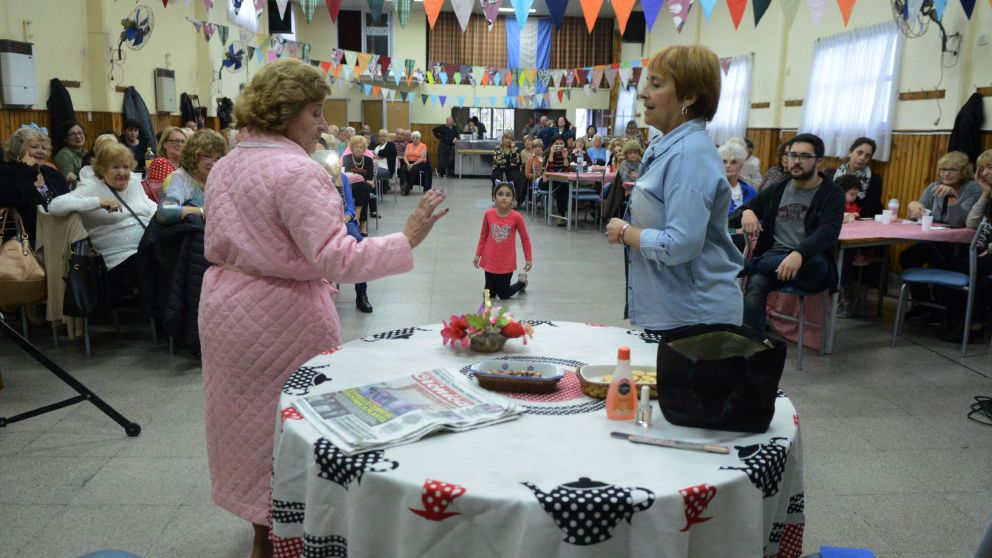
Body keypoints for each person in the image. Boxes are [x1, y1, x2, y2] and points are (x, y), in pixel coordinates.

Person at [198, 58, 447, 558]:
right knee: (289, 427)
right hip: (278, 315)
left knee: (243, 424)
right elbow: (338, 257)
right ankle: (287, 530)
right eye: (315, 113)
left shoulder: (226, 164)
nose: (321, 126)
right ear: (288, 113)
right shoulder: (297, 171)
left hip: (225, 306)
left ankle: (262, 533)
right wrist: (408, 238)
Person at [605, 45, 745, 333]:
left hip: (695, 317)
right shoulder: (665, 145)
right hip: (674, 309)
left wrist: (625, 233)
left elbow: (679, 244)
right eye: (647, 83)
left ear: (689, 97)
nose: (643, 92)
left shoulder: (688, 155)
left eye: (656, 84)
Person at [730, 133, 844, 333]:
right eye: (792, 155)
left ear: (818, 161)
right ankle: (752, 342)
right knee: (756, 284)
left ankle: (743, 267)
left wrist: (799, 253)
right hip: (774, 260)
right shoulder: (777, 189)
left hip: (810, 261)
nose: (796, 161)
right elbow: (735, 215)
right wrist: (747, 211)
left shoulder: (832, 193)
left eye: (804, 156)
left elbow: (828, 231)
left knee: (762, 268)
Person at [49, 143, 157, 294]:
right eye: (115, 167)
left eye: (126, 167)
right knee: (153, 262)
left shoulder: (134, 183)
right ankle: (153, 315)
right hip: (116, 258)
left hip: (146, 248)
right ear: (102, 169)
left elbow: (151, 208)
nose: (122, 172)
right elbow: (54, 206)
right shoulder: (90, 186)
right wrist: (97, 202)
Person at [899, 151, 982, 323]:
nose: (946, 173)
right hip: (934, 240)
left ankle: (939, 310)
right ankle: (923, 305)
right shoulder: (933, 186)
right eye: (943, 169)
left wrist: (952, 197)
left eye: (952, 170)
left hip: (959, 243)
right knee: (907, 256)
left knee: (939, 260)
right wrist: (914, 206)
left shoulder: (972, 188)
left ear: (964, 171)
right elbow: (919, 213)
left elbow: (960, 222)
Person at [943, 149, 992, 343]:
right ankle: (958, 319)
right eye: (983, 168)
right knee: (954, 263)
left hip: (989, 251)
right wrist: (985, 193)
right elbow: (972, 223)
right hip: (982, 249)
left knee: (966, 266)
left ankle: (974, 325)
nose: (986, 173)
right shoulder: (989, 194)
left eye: (991, 167)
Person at [0, 127, 70, 247]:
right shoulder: (7, 172)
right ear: (18, 149)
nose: (41, 151)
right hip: (29, 240)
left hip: (61, 233)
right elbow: (12, 200)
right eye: (34, 147)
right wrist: (25, 170)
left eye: (44, 148)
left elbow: (68, 201)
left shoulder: (53, 173)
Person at [474, 181, 532, 299]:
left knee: (503, 294)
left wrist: (528, 258)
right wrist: (477, 255)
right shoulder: (488, 214)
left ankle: (521, 283)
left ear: (513, 199)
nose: (504, 198)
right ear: (494, 197)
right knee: (488, 295)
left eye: (508, 195)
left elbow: (525, 238)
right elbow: (483, 236)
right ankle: (489, 303)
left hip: (506, 262)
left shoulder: (516, 217)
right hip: (490, 260)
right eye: (500, 194)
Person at [157, 129, 226, 226]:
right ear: (193, 156)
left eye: (218, 158)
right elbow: (165, 211)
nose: (213, 163)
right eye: (207, 156)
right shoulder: (178, 178)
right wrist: (203, 212)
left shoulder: (219, 178)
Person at [826, 137, 883, 218]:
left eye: (867, 156)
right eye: (859, 153)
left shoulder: (875, 180)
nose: (862, 158)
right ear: (850, 152)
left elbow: (870, 209)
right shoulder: (832, 175)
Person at [342, 135, 375, 234]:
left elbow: (369, 175)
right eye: (356, 147)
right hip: (350, 186)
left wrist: (356, 174)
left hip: (363, 187)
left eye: (361, 147)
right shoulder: (347, 158)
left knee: (363, 187)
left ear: (364, 149)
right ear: (352, 148)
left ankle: (358, 216)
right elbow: (347, 173)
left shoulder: (368, 159)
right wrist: (363, 177)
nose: (358, 149)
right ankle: (362, 223)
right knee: (364, 187)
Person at [719, 138, 758, 218]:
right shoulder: (714, 190)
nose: (728, 165)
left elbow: (758, 217)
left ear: (741, 166)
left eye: (733, 162)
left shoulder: (750, 191)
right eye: (724, 161)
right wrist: (735, 231)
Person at [491, 131, 526, 205]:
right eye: (506, 138)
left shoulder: (515, 149)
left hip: (512, 169)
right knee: (497, 177)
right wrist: (509, 162)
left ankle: (515, 199)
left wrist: (513, 152)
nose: (508, 140)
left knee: (516, 177)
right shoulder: (498, 148)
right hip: (499, 169)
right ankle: (497, 198)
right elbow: (498, 161)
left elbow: (517, 161)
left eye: (510, 138)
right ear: (503, 139)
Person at [544, 135, 571, 227]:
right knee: (561, 188)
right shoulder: (547, 154)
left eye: (561, 144)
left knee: (561, 188)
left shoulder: (567, 155)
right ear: (552, 145)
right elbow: (548, 171)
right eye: (557, 144)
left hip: (560, 182)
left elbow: (566, 172)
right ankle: (561, 215)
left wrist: (565, 157)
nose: (559, 145)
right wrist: (551, 154)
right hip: (547, 181)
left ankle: (561, 216)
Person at [53, 121, 87, 188]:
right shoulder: (64, 155)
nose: (78, 136)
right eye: (72, 134)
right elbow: (71, 182)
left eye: (80, 133)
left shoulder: (85, 152)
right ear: (65, 139)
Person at [372, 128, 397, 194]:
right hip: (376, 167)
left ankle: (373, 193)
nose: (382, 138)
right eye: (380, 136)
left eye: (384, 136)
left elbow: (382, 153)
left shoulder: (391, 144)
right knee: (367, 172)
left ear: (387, 137)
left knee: (369, 174)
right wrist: (378, 157)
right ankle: (374, 192)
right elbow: (375, 156)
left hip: (386, 169)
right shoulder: (377, 146)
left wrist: (378, 156)